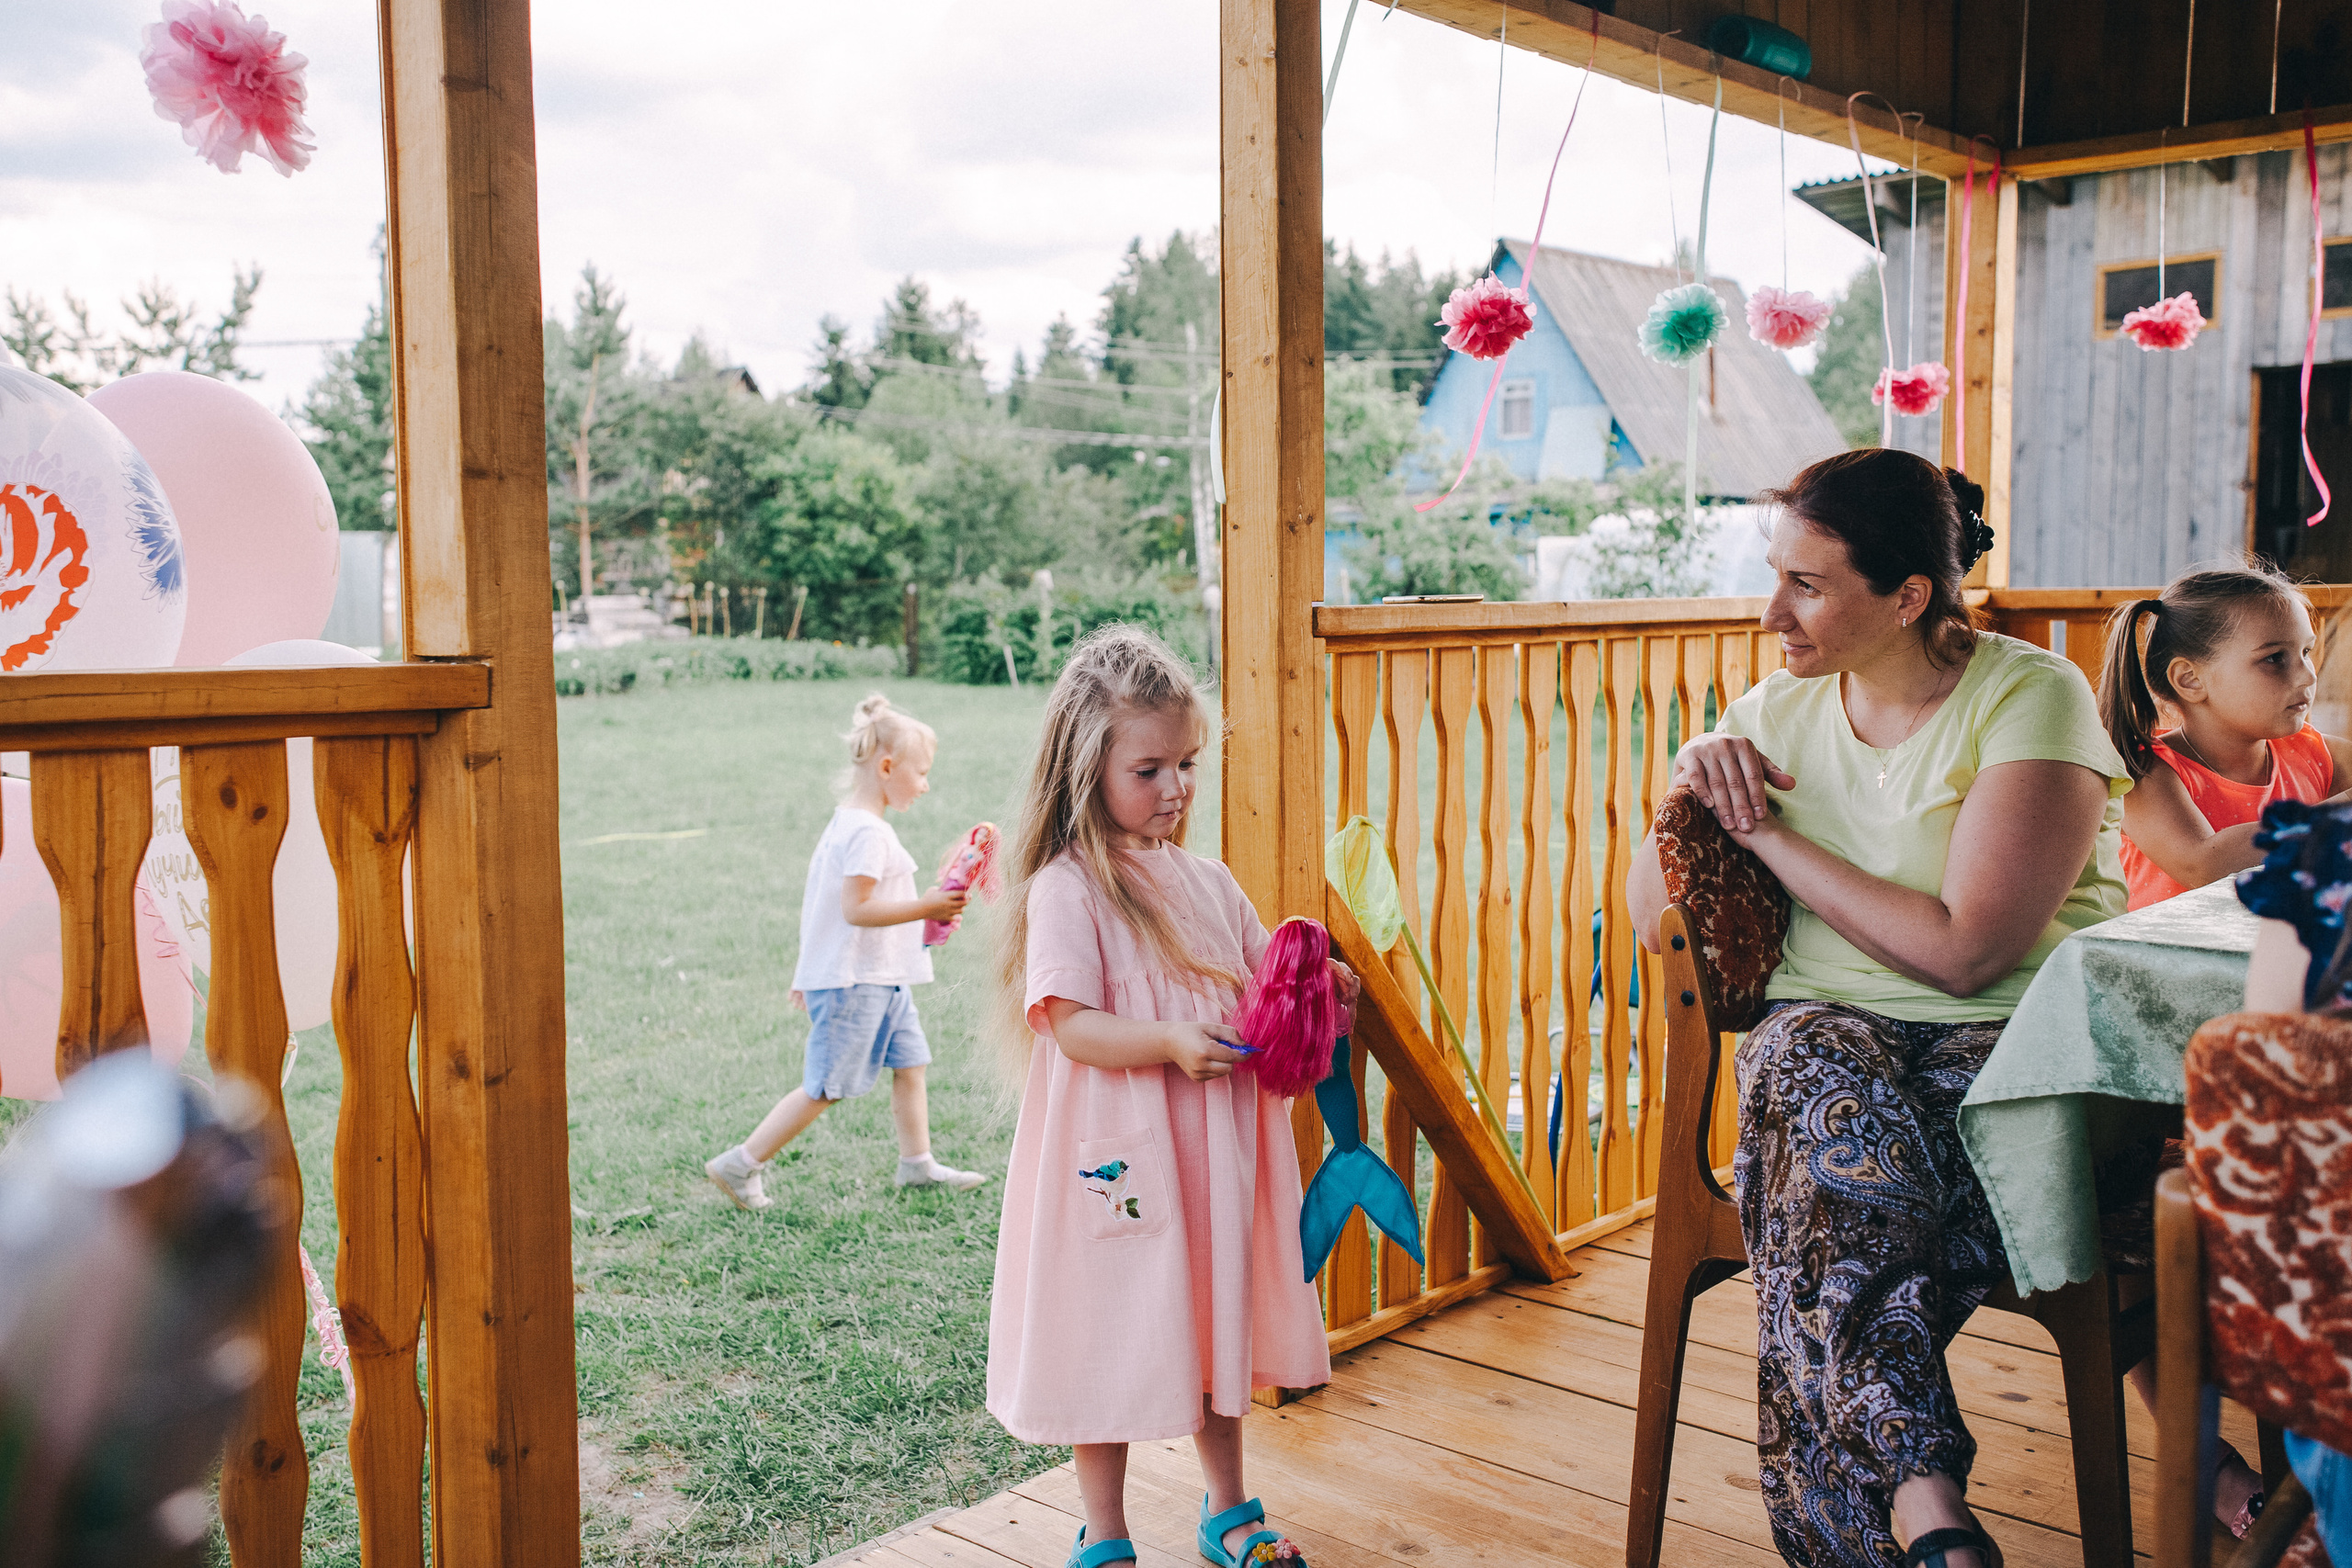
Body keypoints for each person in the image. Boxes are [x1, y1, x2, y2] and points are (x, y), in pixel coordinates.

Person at [1628, 449, 2131, 1568]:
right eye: (1776, 575)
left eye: (1807, 585)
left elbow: (1965, 955)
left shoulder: (2029, 695)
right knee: (1810, 1072)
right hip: (1828, 1045)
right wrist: (1687, 794)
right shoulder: (1774, 707)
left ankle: (1919, 1507)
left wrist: (1766, 834)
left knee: (1824, 1221)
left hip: (2013, 1047)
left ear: (1908, 597)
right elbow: (1651, 923)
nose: (1772, 613)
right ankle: (1925, 1511)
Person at [986, 626, 1351, 1568]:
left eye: (1186, 763)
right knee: (1111, 1326)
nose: (1176, 788)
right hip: (1118, 1163)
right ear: (1087, 768)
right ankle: (1103, 1531)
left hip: (1212, 1154)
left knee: (1210, 1317)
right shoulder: (1069, 891)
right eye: (1148, 769)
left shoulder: (1209, 882)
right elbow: (1069, 1025)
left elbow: (1260, 981)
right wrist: (1166, 1043)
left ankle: (1228, 1510)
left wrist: (1319, 991)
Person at [705, 694, 984, 1212]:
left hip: (883, 976)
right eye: (921, 773)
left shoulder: (852, 825)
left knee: (912, 1064)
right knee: (826, 1085)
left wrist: (925, 918)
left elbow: (822, 907)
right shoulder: (867, 834)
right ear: (886, 767)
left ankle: (917, 1165)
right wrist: (924, 905)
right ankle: (740, 1163)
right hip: (855, 983)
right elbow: (855, 909)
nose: (925, 784)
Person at [2098, 564, 2352, 911]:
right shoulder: (2144, 771)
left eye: (2306, 653)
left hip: (2276, 952)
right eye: (2275, 658)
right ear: (2190, 679)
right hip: (2166, 958)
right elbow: (2203, 864)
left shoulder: (2321, 756)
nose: (2307, 676)